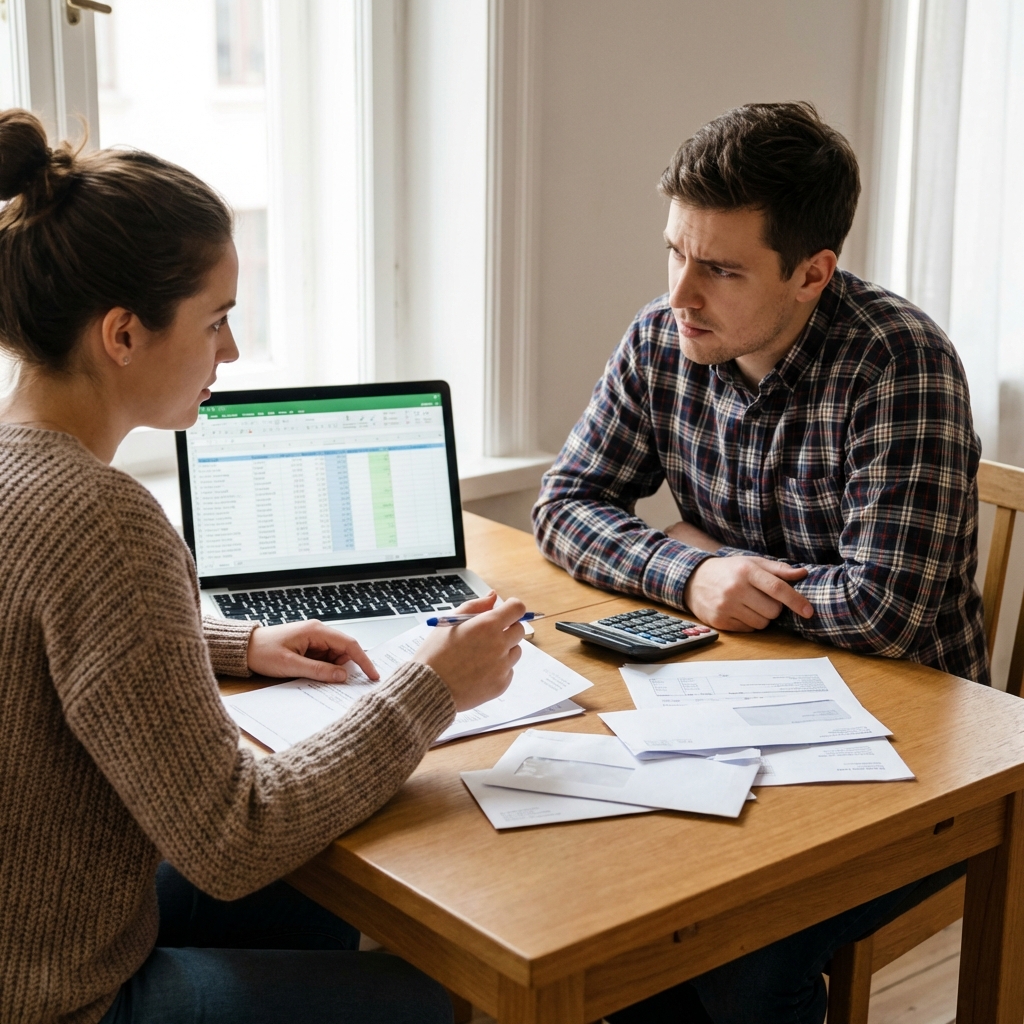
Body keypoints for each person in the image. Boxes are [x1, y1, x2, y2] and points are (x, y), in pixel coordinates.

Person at [0, 108, 526, 1024]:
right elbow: (233, 839)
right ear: (122, 335)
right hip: (58, 1000)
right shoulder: (105, 522)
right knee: (455, 998)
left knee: (316, 891)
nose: (231, 354)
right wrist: (432, 686)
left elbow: (37, 631)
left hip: (38, 934)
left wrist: (239, 642)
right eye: (216, 322)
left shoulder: (18, 462)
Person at [533, 102, 983, 1023]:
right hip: (732, 705)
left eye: (721, 268)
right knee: (610, 902)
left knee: (741, 952)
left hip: (915, 747)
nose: (680, 293)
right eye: (675, 251)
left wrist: (729, 569)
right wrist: (690, 573)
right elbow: (563, 503)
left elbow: (883, 612)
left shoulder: (898, 361)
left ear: (812, 272)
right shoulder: (665, 339)